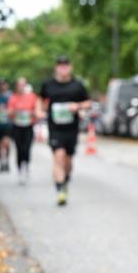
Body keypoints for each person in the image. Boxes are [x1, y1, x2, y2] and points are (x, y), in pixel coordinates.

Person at [36, 56, 90, 206]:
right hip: (55, 129)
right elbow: (40, 99)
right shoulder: (48, 85)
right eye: (60, 65)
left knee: (68, 161)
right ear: (56, 67)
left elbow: (88, 102)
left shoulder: (77, 85)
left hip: (72, 129)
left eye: (66, 65)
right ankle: (60, 190)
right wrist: (39, 110)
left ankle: (65, 180)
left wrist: (77, 107)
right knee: (58, 156)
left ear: (70, 67)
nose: (63, 68)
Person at [8, 77, 38, 184]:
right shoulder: (13, 98)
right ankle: (20, 170)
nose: (21, 87)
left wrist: (31, 113)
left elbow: (37, 111)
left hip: (28, 126)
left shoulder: (32, 97)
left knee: (27, 148)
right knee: (19, 149)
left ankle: (26, 167)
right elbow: (9, 113)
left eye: (23, 85)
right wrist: (16, 111)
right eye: (19, 85)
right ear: (16, 86)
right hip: (17, 126)